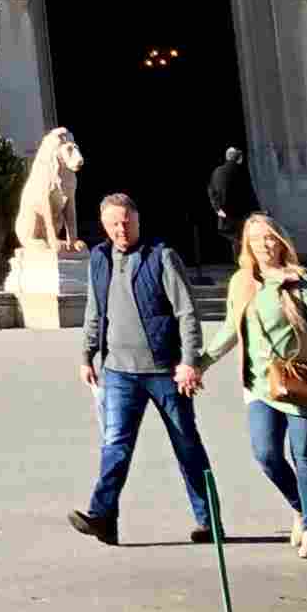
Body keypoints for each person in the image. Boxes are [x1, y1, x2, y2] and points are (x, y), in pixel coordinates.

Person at [199, 213, 307, 558]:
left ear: (281, 241)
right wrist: (199, 364)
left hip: (303, 382)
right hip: (260, 385)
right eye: (257, 238)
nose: (265, 244)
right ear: (246, 245)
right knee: (266, 456)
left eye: (270, 237)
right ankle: (299, 504)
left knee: (305, 456)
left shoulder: (300, 282)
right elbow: (230, 331)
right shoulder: (241, 283)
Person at [72, 189, 218, 548]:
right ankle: (103, 517)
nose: (121, 230)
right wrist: (86, 354)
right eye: (114, 224)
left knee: (187, 445)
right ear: (104, 226)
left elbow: (187, 312)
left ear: (138, 221)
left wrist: (188, 361)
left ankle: (209, 521)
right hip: (118, 371)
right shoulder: (99, 258)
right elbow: (95, 309)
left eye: (127, 222)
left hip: (165, 371)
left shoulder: (161, 256)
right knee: (115, 445)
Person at [205, 146, 260, 262]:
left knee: (235, 239)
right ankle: (243, 264)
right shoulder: (241, 171)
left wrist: (218, 209)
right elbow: (248, 191)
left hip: (225, 214)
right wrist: (257, 209)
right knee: (241, 239)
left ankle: (240, 263)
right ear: (238, 158)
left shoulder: (217, 171)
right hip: (241, 214)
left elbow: (211, 191)